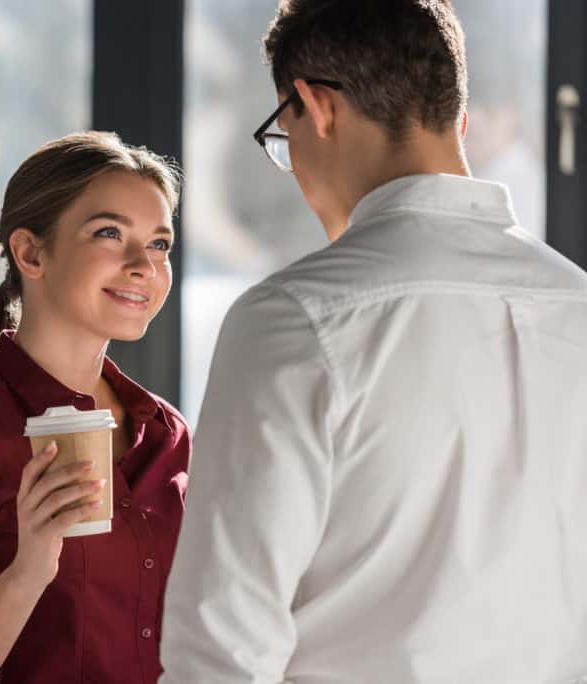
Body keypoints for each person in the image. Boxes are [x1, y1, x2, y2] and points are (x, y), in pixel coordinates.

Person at [160, 1, 587, 682]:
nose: (292, 168)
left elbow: (221, 652)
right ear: (457, 121)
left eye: (282, 137)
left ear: (317, 107)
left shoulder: (293, 319)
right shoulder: (577, 306)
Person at [0, 131, 191, 683]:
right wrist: (30, 568)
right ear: (30, 252)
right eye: (110, 233)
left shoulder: (168, 436)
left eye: (160, 243)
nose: (144, 264)